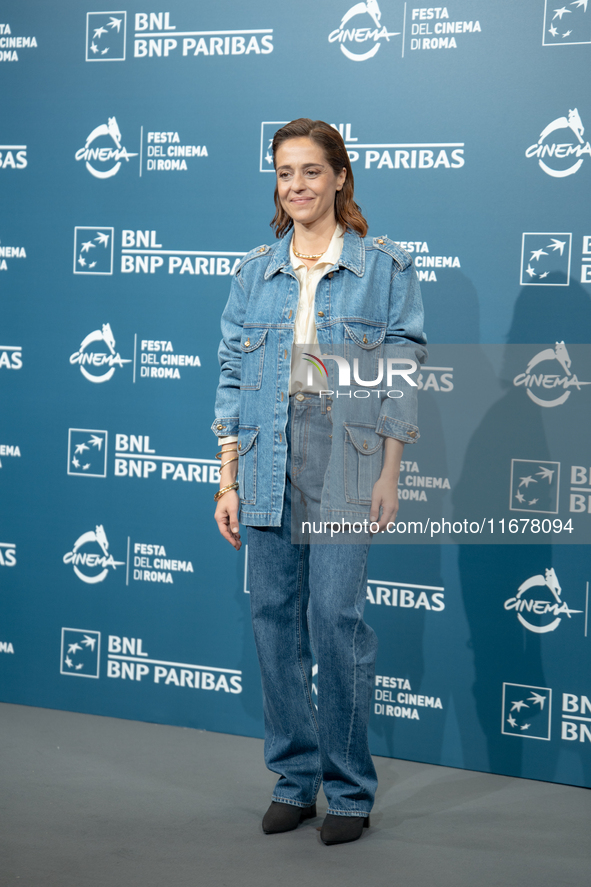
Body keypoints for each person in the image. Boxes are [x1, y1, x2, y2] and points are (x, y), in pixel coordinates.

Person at [212, 119, 426, 845]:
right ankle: (294, 779)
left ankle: (348, 786)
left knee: (334, 621)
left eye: (309, 171)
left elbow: (398, 379)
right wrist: (227, 480)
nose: (295, 185)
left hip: (345, 454)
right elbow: (233, 382)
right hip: (267, 450)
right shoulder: (253, 273)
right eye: (283, 173)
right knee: (274, 619)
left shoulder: (382, 269)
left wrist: (389, 471)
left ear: (339, 176)